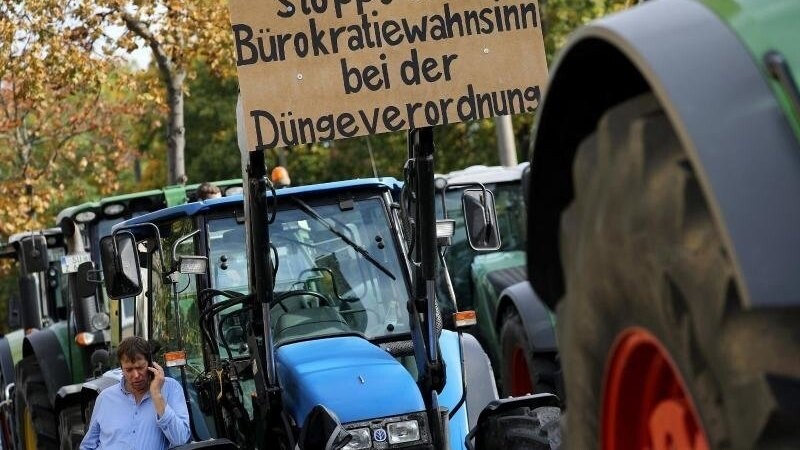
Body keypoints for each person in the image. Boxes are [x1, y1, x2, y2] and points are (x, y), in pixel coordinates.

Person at [80, 336, 191, 450]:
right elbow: (88, 445)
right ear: (121, 368)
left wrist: (157, 395)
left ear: (151, 364)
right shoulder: (105, 398)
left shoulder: (171, 388)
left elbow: (180, 439)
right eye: (128, 370)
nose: (136, 375)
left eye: (140, 367)